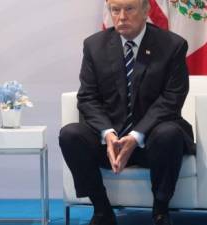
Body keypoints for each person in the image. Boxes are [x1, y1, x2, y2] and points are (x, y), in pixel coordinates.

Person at [59, 0, 194, 225]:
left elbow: (172, 99)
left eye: (129, 9)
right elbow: (87, 98)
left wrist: (136, 135)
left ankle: (160, 211)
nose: (121, 17)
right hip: (110, 143)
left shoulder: (172, 45)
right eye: (115, 10)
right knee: (70, 134)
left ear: (145, 11)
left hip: (152, 141)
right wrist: (108, 133)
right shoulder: (94, 45)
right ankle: (102, 210)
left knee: (169, 133)